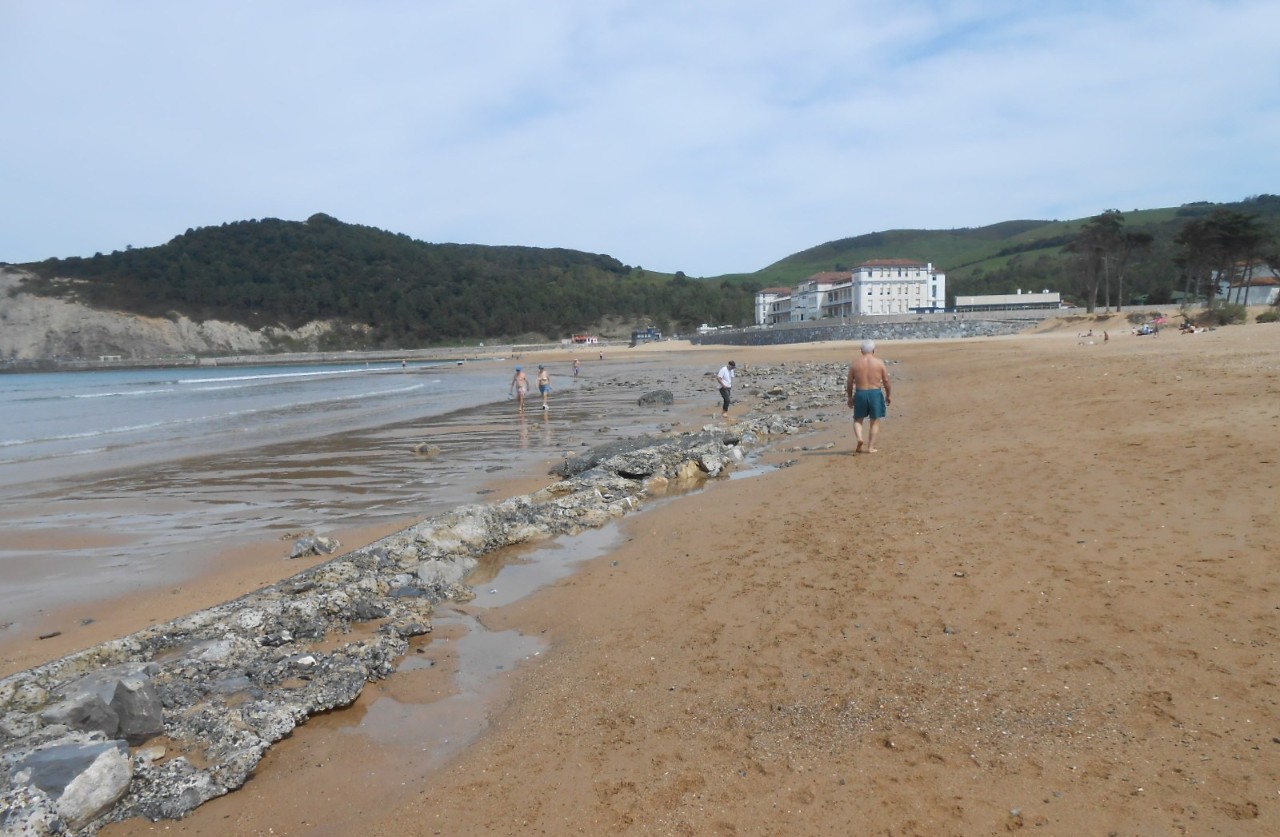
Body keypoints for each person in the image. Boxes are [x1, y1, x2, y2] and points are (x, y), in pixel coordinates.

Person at [845, 340, 891, 453]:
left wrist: (850, 397)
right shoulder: (879, 363)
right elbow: (886, 380)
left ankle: (860, 438)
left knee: (857, 420)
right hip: (875, 392)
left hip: (860, 393)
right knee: (874, 421)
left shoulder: (855, 364)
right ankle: (870, 447)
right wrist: (888, 395)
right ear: (873, 351)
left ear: (861, 351)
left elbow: (850, 382)